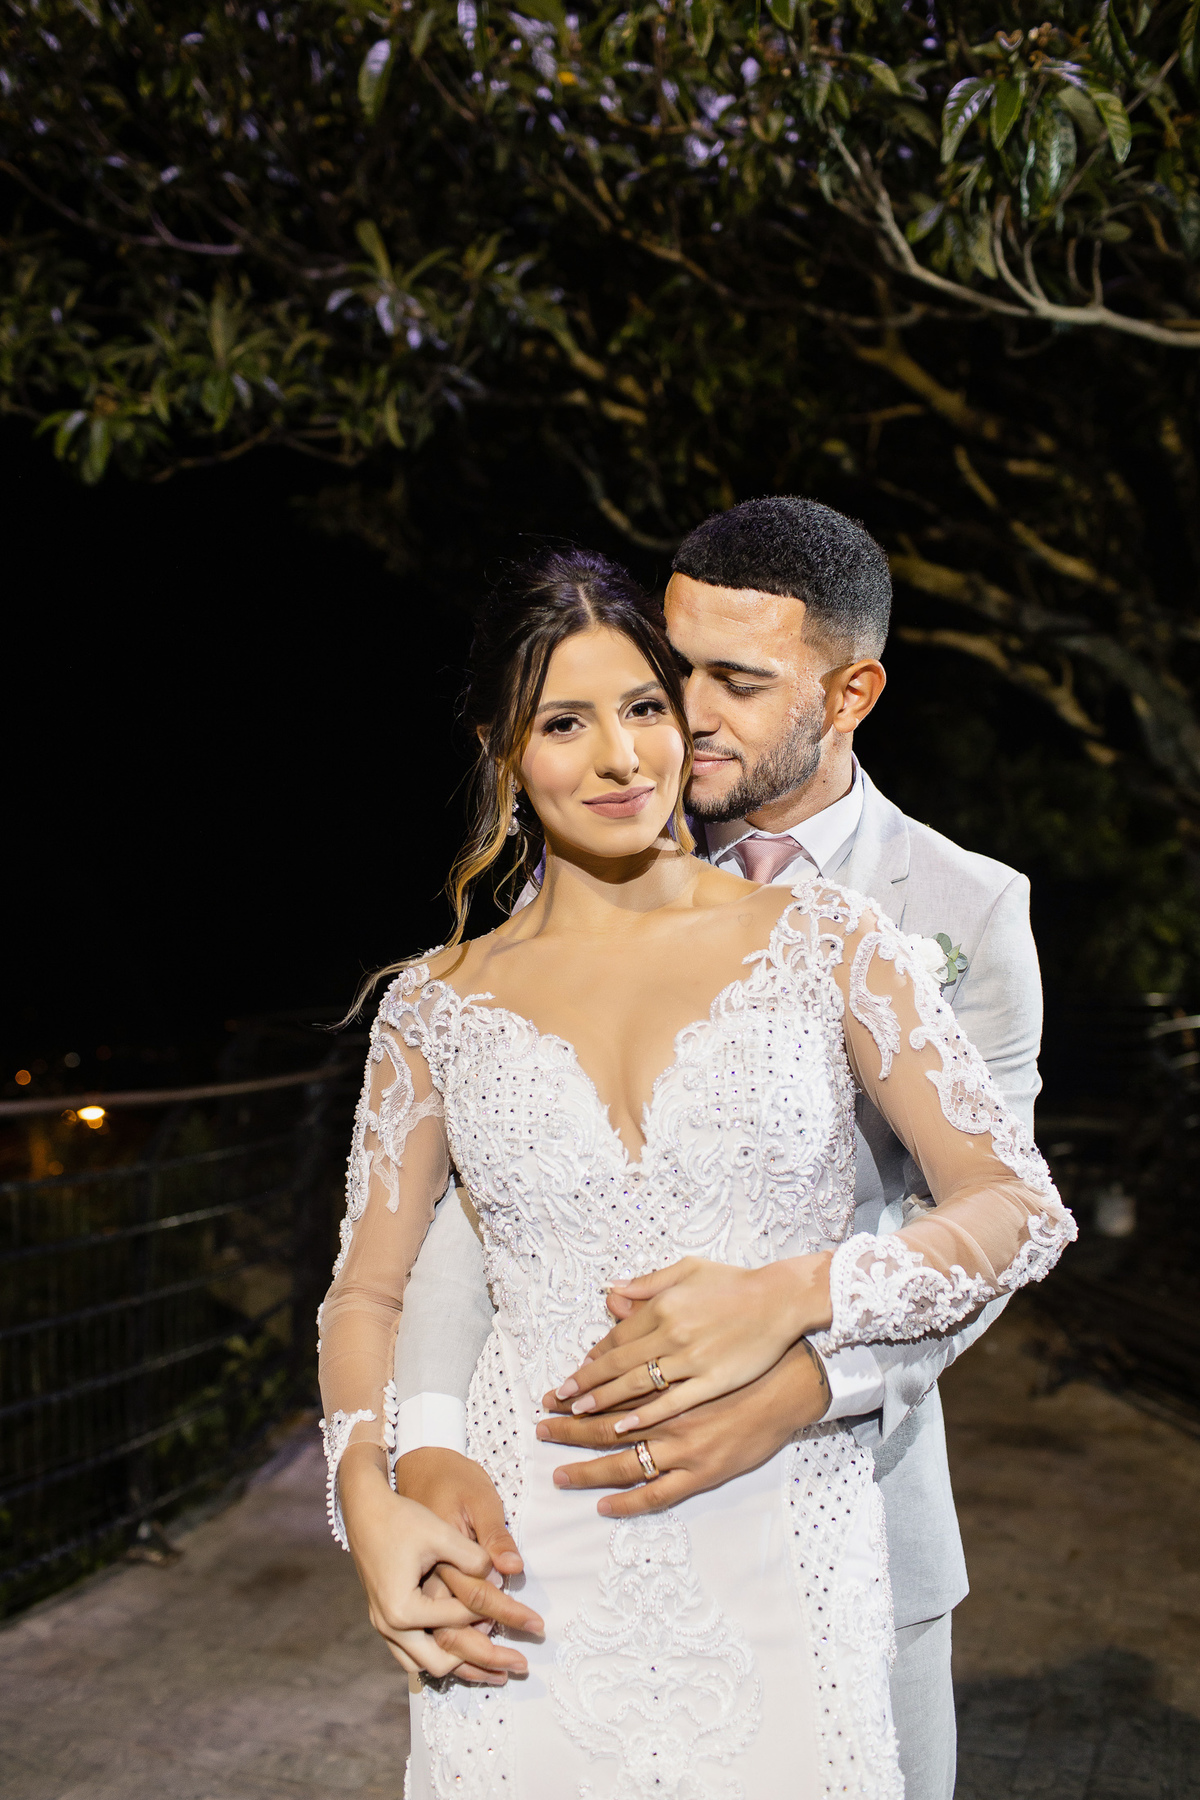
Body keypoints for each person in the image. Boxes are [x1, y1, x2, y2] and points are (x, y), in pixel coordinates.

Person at [318, 539, 1075, 1800]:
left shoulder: (837, 938)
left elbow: (1015, 1206)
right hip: (517, 1546)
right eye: (565, 721)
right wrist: (380, 1486)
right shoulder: (431, 1008)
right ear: (502, 747)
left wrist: (797, 1300)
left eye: (644, 710)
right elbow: (377, 1289)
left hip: (787, 1523)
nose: (623, 756)